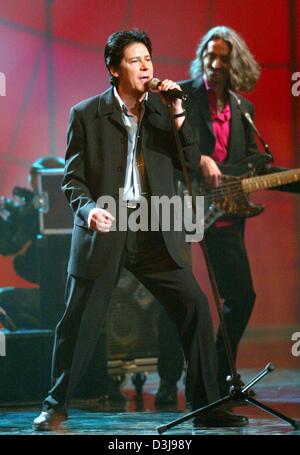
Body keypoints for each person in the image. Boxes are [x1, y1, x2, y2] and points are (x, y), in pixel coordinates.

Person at [33, 28, 248, 430]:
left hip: (154, 227)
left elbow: (189, 159)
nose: (146, 66)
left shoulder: (164, 109)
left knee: (196, 307)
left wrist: (179, 109)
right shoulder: (86, 114)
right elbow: (72, 179)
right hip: (107, 226)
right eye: (135, 60)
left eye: (148, 58)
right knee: (78, 322)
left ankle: (206, 406)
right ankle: (54, 406)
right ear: (114, 69)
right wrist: (90, 209)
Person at [155, 25, 261, 403]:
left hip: (224, 215)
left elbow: (254, 165)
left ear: (236, 65)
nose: (214, 65)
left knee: (242, 296)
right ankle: (169, 380)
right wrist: (199, 157)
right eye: (208, 56)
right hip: (180, 208)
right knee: (179, 298)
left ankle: (215, 375)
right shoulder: (180, 96)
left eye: (223, 59)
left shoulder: (243, 110)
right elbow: (160, 143)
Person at [0, 156, 65, 329]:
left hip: (64, 298)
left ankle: (47, 340)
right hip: (59, 295)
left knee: (5, 299)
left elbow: (12, 246)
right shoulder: (41, 213)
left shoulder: (52, 215)